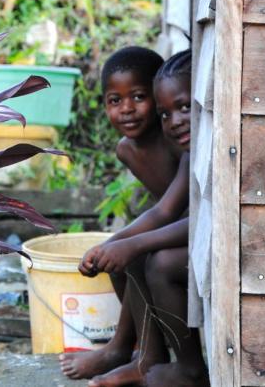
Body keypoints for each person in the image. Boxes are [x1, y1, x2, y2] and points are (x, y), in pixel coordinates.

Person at [71, 49, 208, 386]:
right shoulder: (128, 150)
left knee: (141, 257)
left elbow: (174, 213)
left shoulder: (182, 143)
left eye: (137, 97)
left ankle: (132, 352)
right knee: (122, 257)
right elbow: (163, 209)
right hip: (184, 228)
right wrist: (114, 243)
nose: (127, 109)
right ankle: (143, 352)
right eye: (114, 100)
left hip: (195, 231)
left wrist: (130, 245)